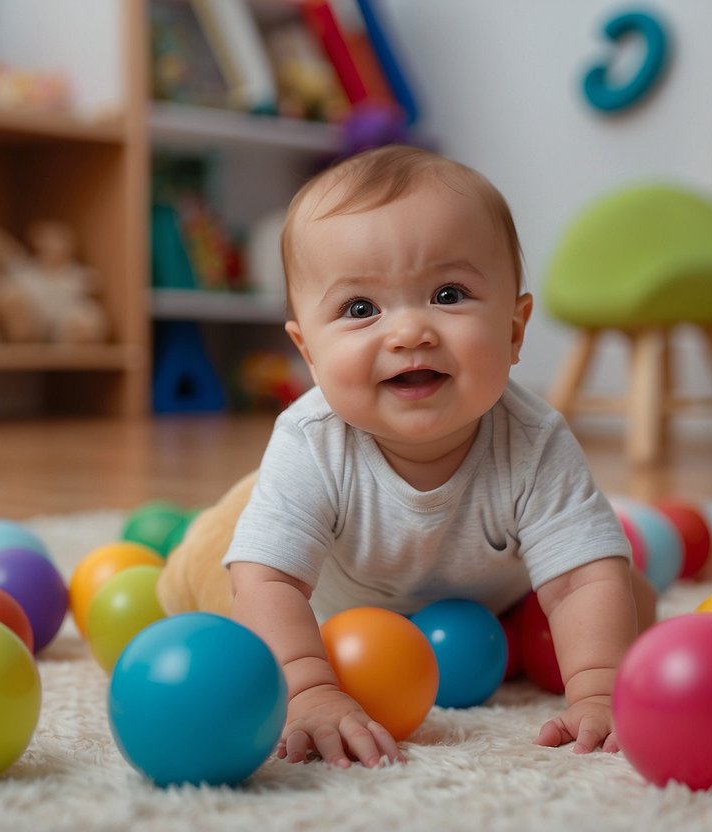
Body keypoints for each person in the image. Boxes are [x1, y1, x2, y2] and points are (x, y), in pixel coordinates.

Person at [179, 145, 655, 769]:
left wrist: (598, 689)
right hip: (333, 603)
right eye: (360, 310)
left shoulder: (534, 438)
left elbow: (580, 579)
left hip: (488, 595)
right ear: (309, 353)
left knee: (626, 593)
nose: (409, 333)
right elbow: (271, 582)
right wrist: (310, 690)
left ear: (514, 331)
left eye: (449, 294)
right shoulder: (311, 439)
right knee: (218, 585)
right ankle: (214, 539)